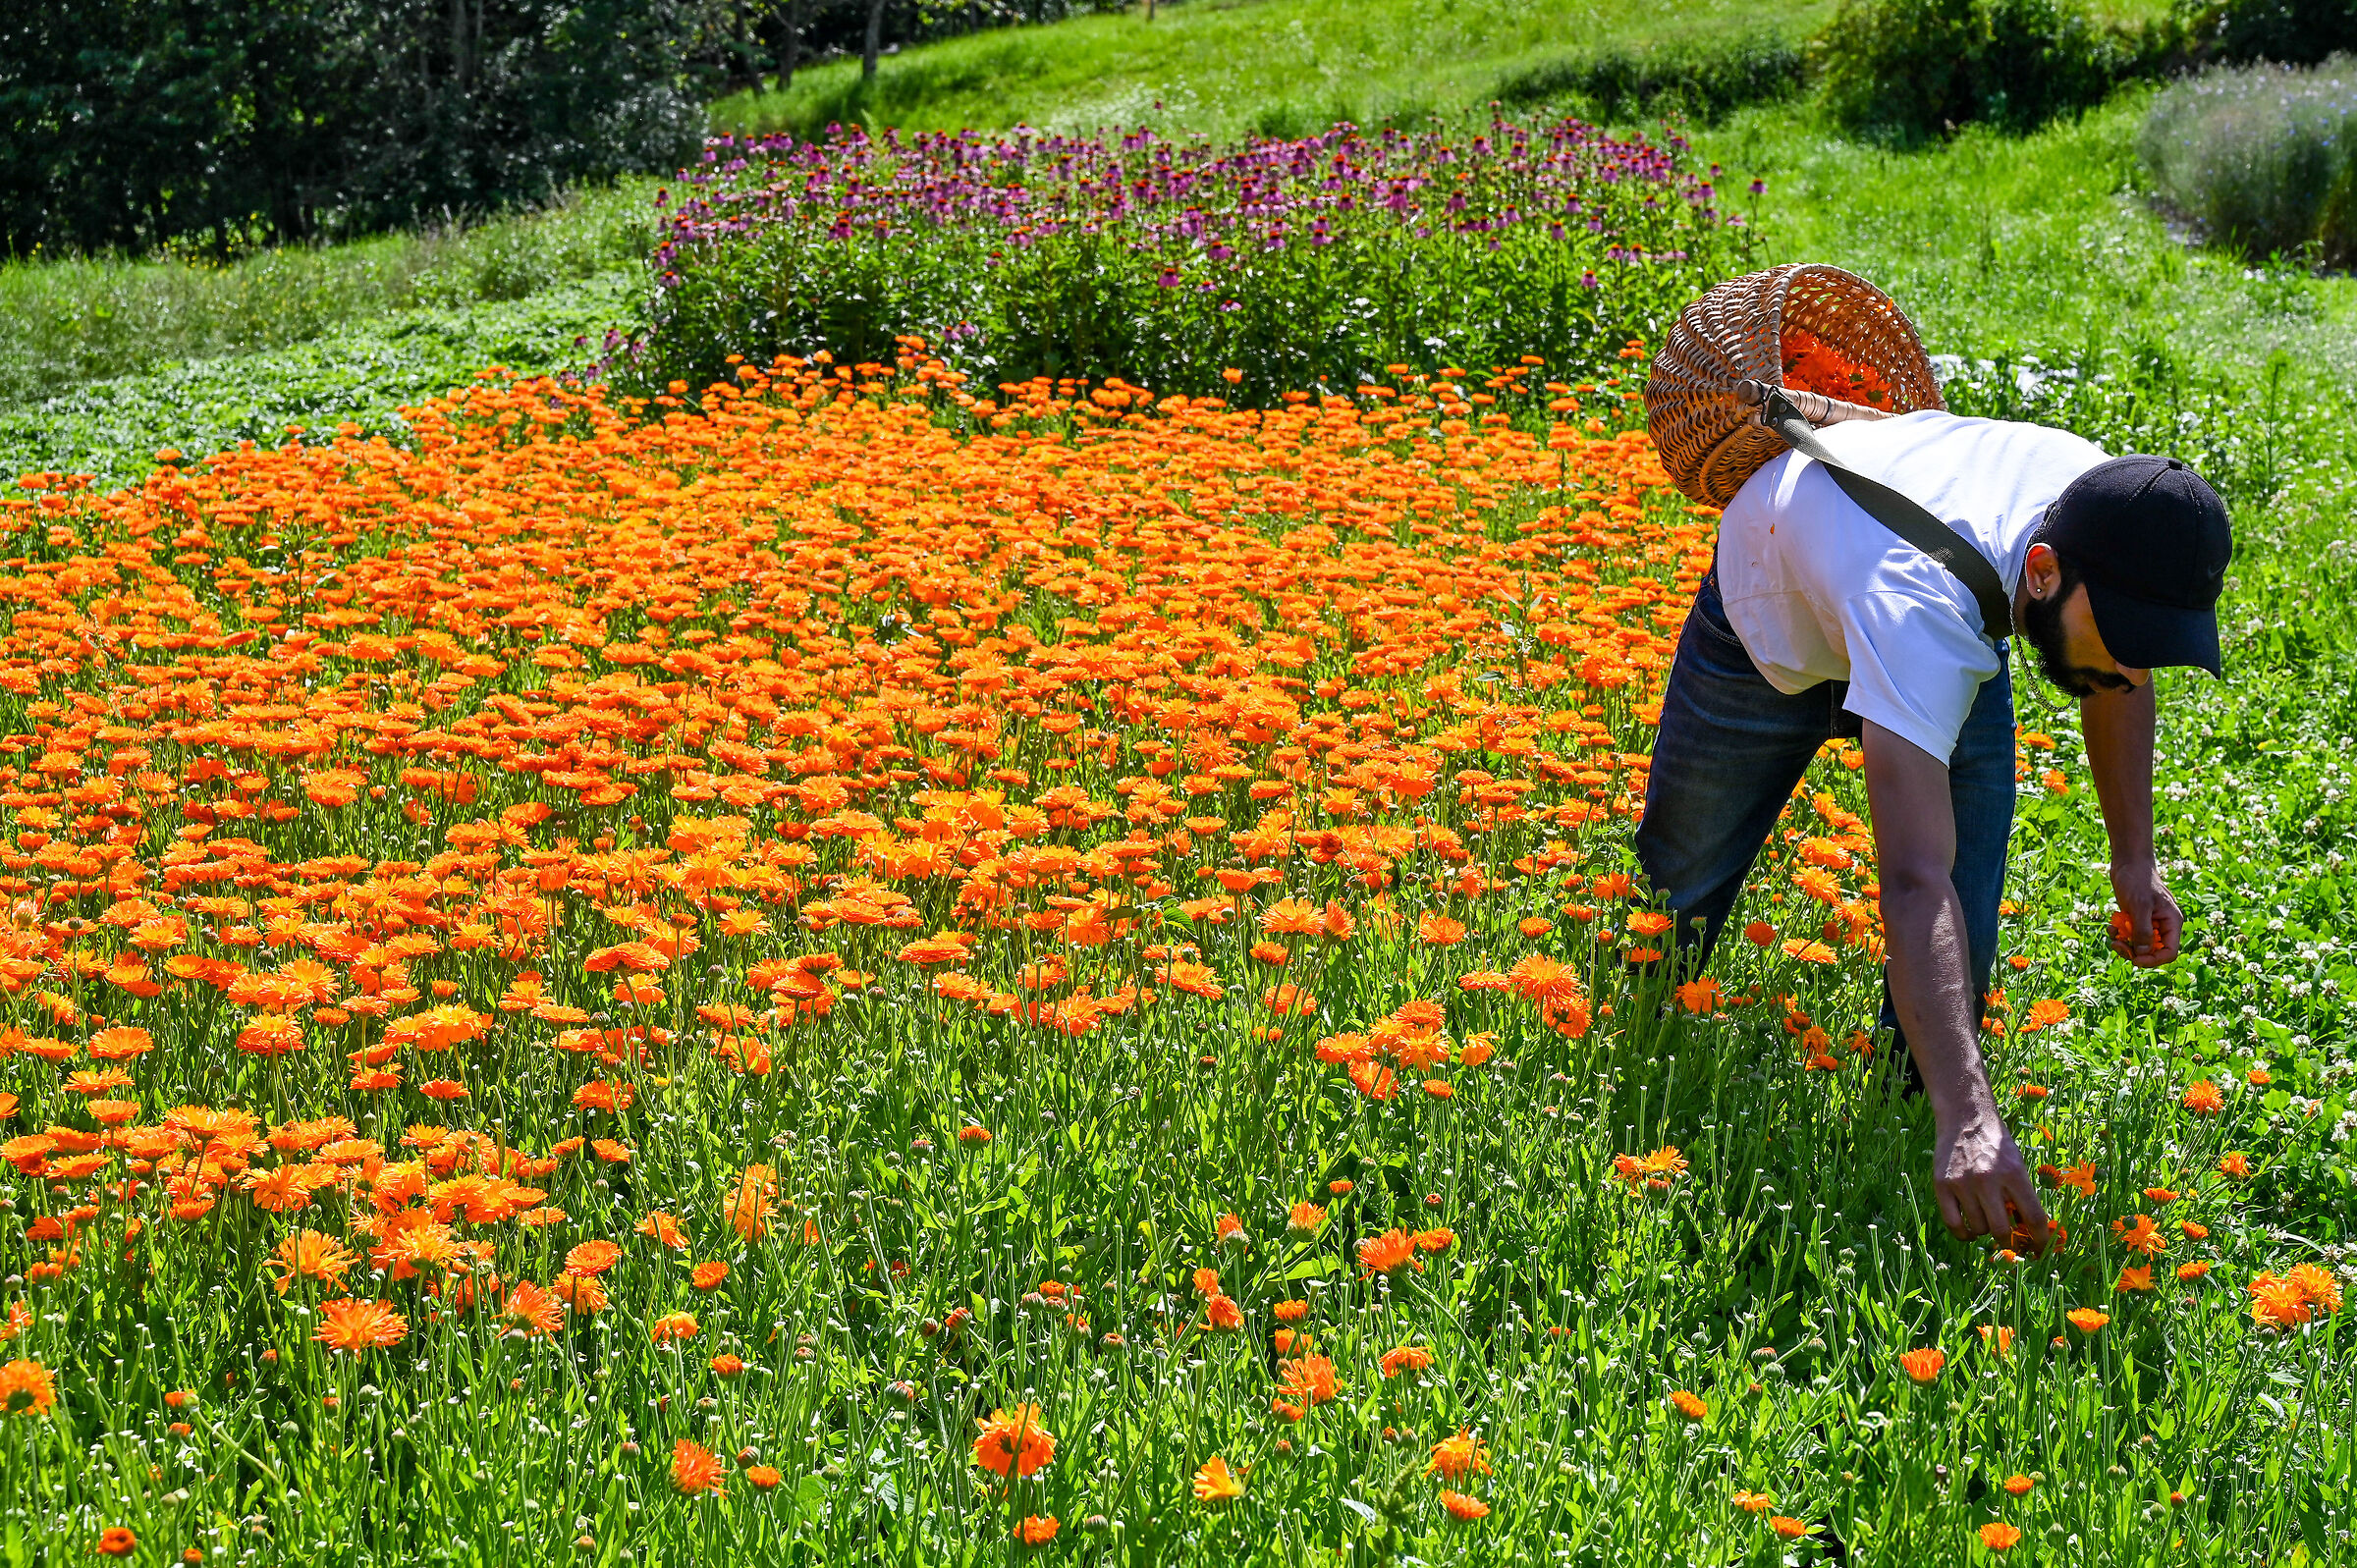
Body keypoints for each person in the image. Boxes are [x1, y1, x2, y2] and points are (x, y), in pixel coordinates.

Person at [1634, 410, 2231, 1250]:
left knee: (1968, 933)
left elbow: (2117, 679)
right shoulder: (1921, 610)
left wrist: (2135, 859)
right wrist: (1973, 1113)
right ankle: (1634, 1042)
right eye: (2126, 638)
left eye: (2153, 645)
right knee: (1674, 889)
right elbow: (1915, 879)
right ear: (2042, 571)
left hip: (1925, 583)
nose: (2134, 666)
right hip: (1772, 610)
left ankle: (1907, 1129)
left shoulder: (2119, 511)